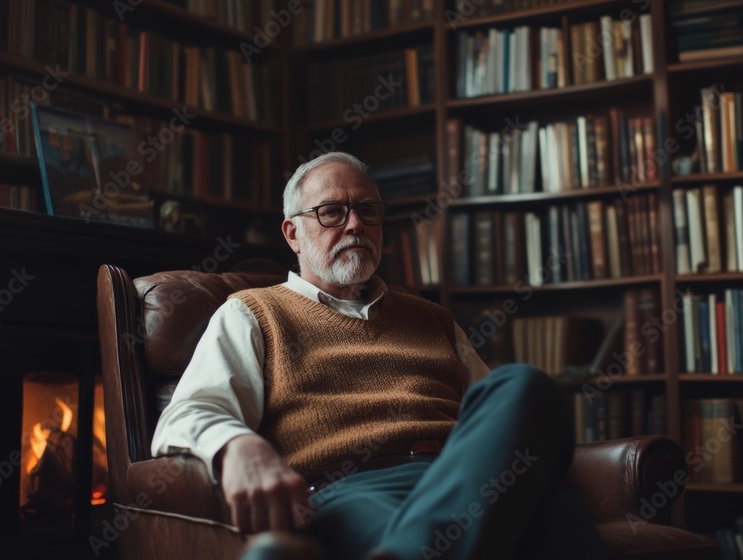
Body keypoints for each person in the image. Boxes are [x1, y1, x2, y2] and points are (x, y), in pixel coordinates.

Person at [151, 151, 600, 560]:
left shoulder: (435, 320)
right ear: (293, 233)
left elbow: (500, 417)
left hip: (463, 479)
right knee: (554, 520)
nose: (355, 225)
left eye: (368, 211)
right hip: (351, 490)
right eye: (331, 212)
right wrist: (238, 446)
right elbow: (188, 411)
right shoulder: (254, 312)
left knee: (523, 385)